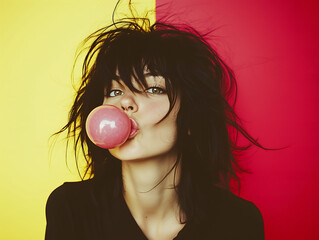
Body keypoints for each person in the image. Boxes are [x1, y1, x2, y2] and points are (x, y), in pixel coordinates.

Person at [45, 10, 265, 240]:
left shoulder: (238, 220)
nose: (125, 101)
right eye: (114, 91)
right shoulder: (71, 208)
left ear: (190, 117)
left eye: (153, 89)